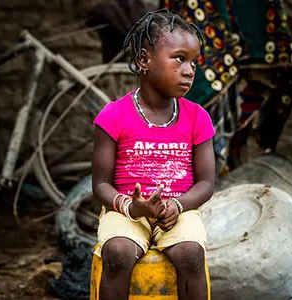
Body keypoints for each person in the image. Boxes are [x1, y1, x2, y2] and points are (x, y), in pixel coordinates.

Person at [91, 8, 216, 300]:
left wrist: (178, 206)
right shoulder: (113, 116)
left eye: (194, 62)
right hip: (126, 211)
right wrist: (131, 207)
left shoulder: (197, 118)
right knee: (118, 253)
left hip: (178, 210)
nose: (189, 70)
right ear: (144, 60)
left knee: (191, 255)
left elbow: (207, 183)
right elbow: (99, 185)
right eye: (179, 58)